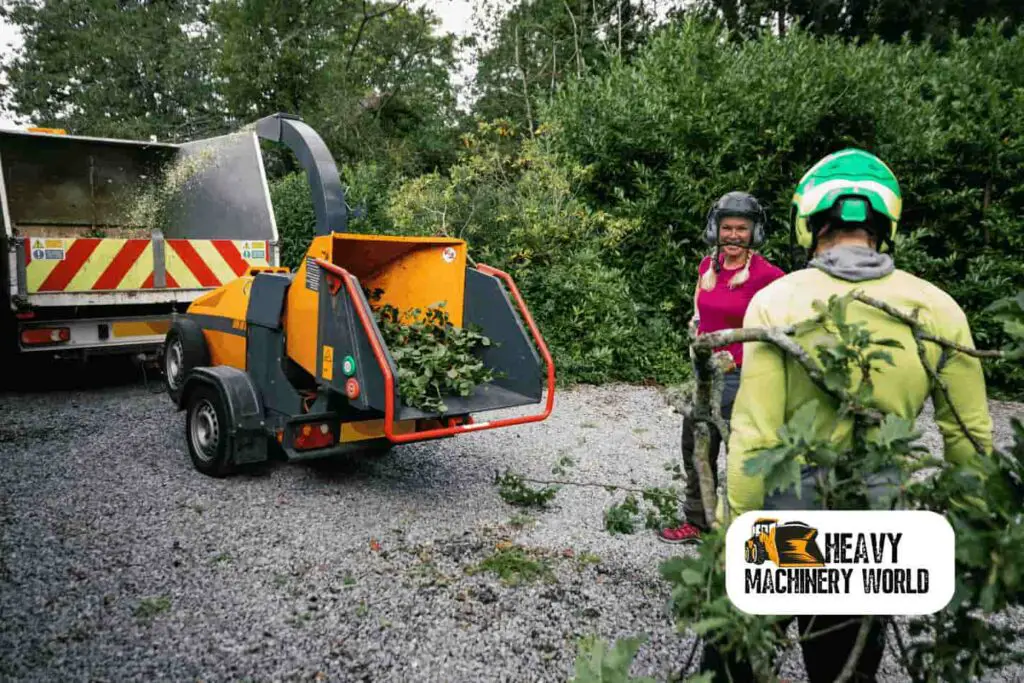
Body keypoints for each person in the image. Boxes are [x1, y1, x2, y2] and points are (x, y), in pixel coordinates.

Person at [704, 148, 995, 682]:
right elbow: (969, 434)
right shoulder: (938, 307)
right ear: (887, 222)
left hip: (782, 522)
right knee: (847, 667)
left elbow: (753, 434)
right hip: (876, 526)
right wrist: (973, 533)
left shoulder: (777, 301)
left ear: (809, 221)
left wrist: (731, 535)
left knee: (734, 659)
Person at [658, 191, 785, 544]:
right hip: (705, 374)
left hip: (744, 376)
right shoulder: (706, 267)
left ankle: (747, 529)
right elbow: (701, 314)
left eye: (741, 229)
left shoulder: (769, 276)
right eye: (727, 227)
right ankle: (698, 521)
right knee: (697, 446)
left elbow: (783, 323)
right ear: (716, 229)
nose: (733, 235)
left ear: (754, 233)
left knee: (742, 451)